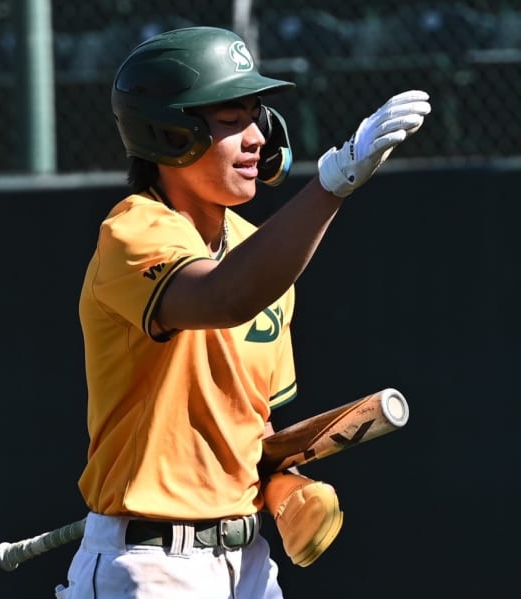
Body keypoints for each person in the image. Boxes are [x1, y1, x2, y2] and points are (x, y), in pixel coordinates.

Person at [55, 25, 430, 599]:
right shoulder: (132, 232)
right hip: (152, 566)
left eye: (258, 116)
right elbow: (223, 296)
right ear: (169, 132)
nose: (256, 137)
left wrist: (285, 490)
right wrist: (335, 181)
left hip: (248, 565)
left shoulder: (264, 257)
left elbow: (255, 437)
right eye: (232, 120)